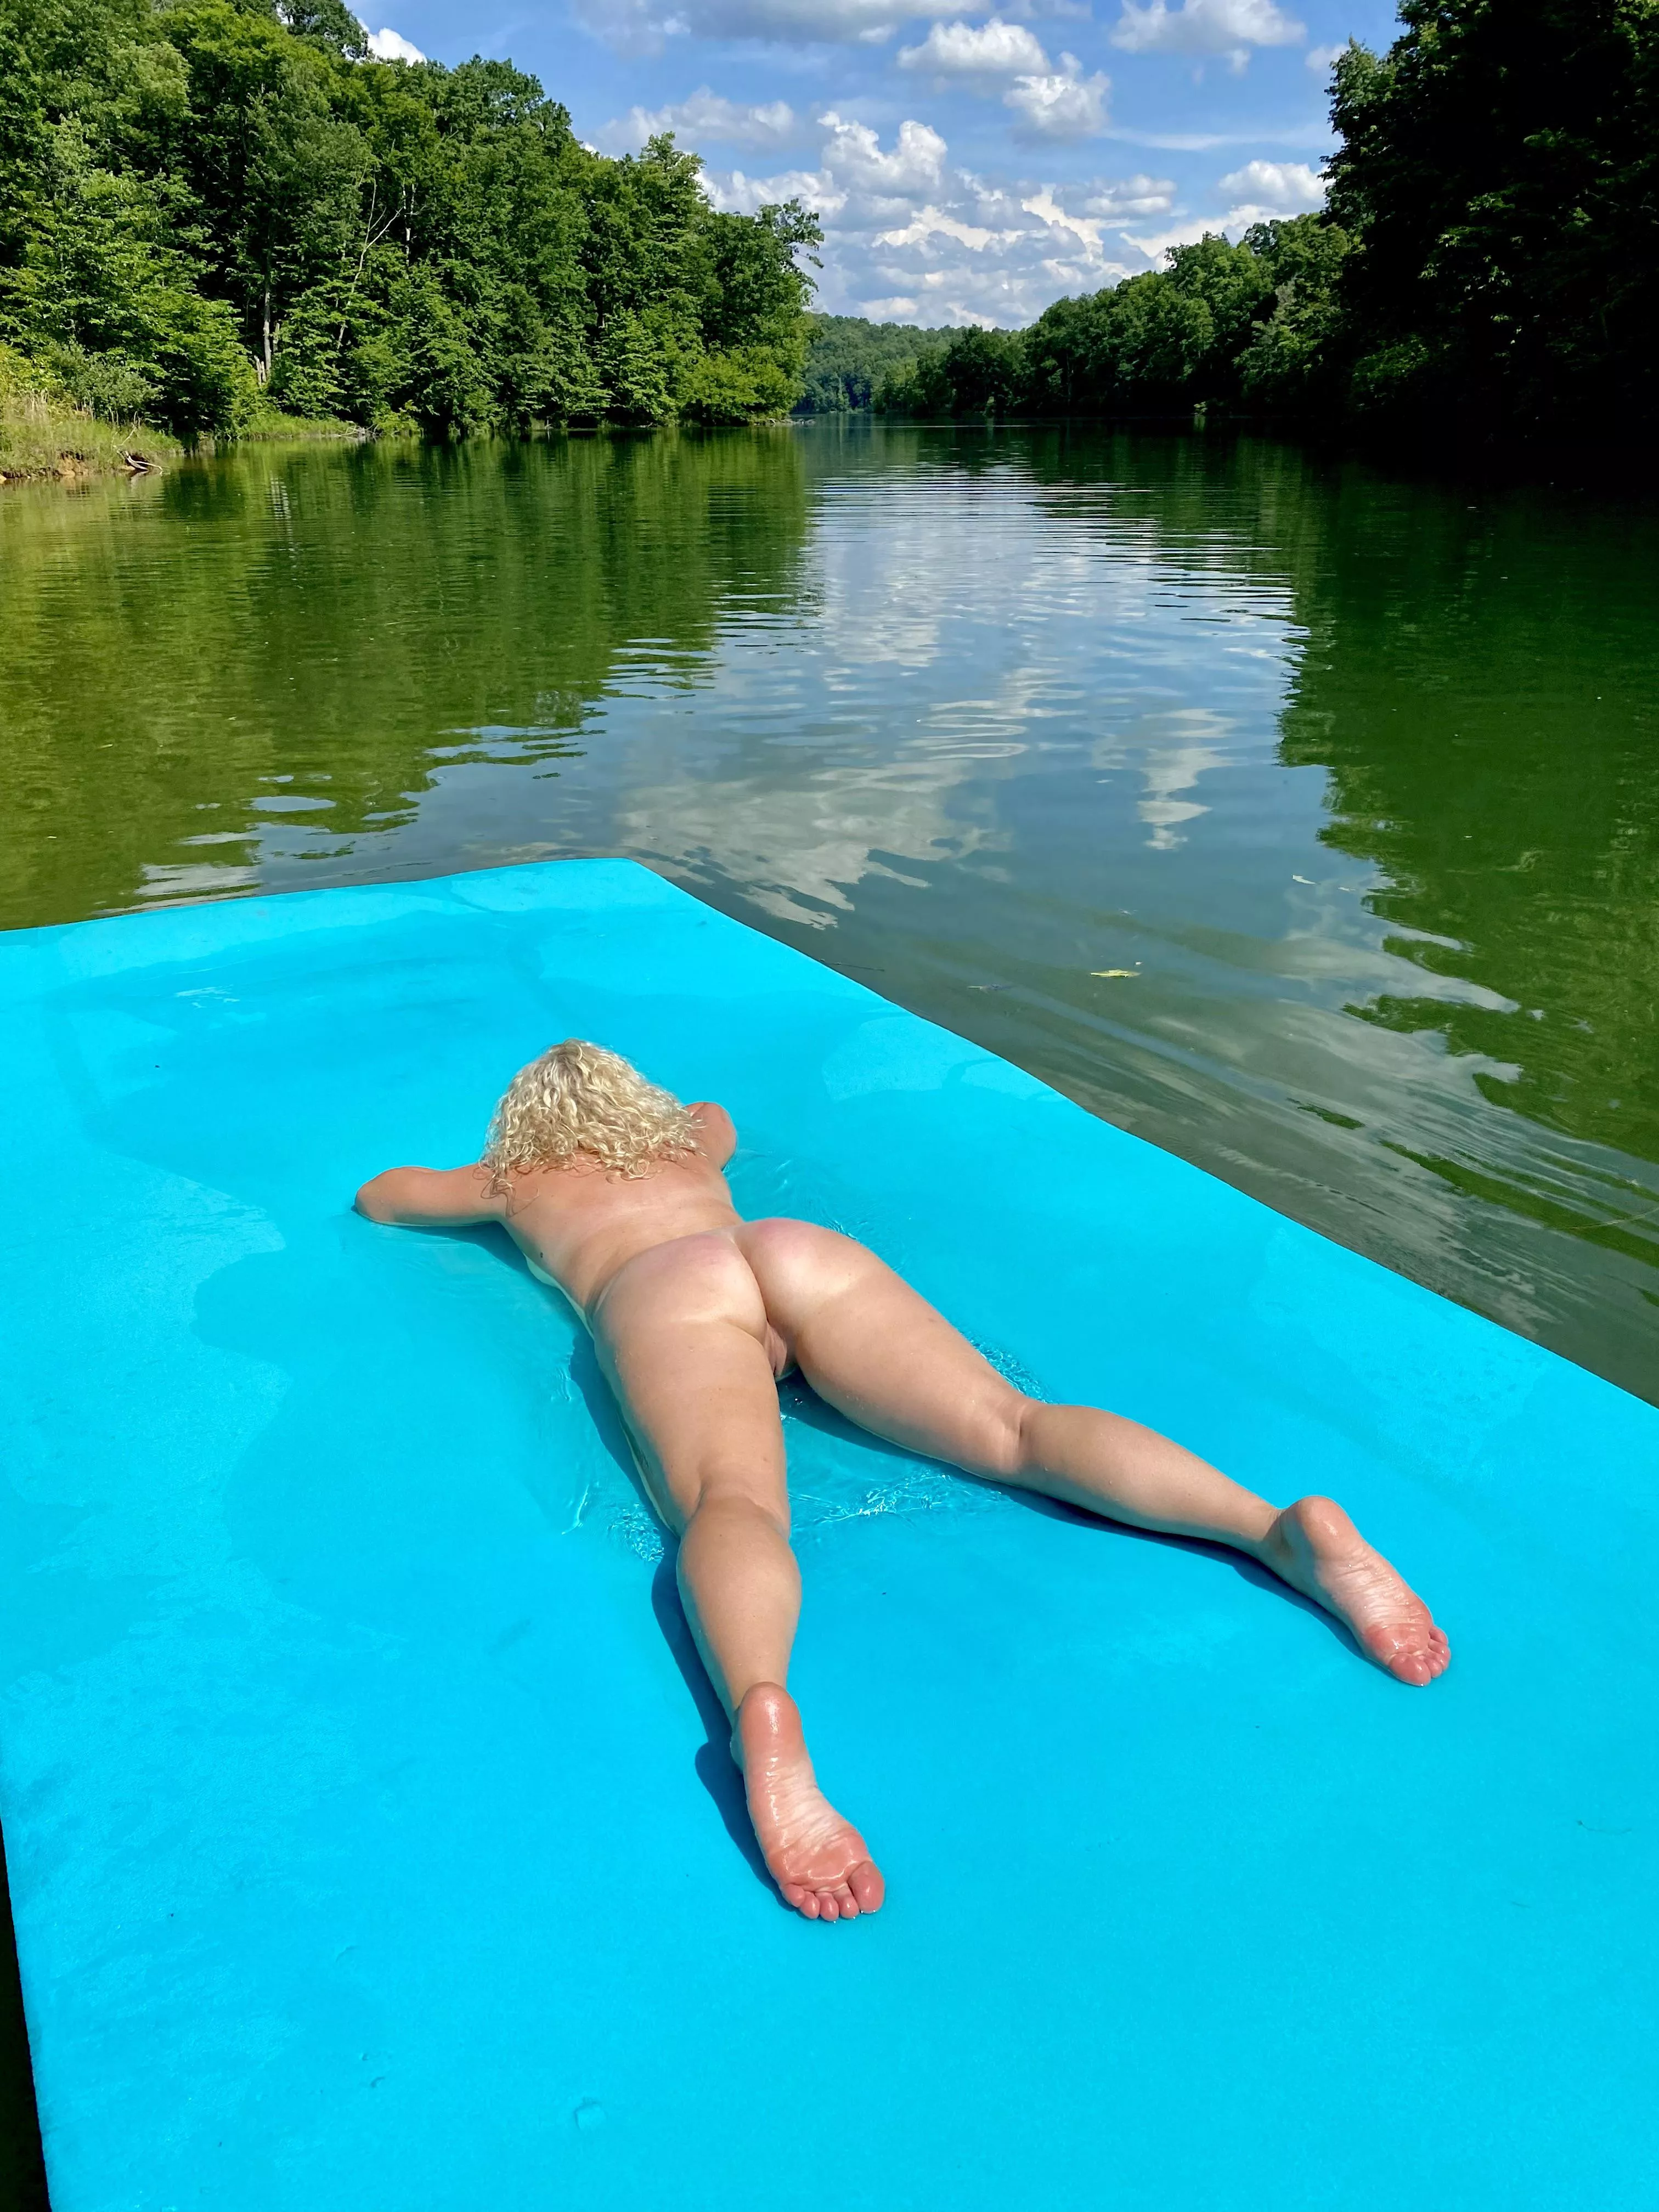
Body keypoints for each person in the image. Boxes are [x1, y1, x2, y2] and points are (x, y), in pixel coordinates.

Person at [356, 1039, 1449, 1924]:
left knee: (731, 1503)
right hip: (789, 1249)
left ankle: (762, 1714)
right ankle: (1273, 1528)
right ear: (636, 1100)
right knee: (1013, 1426)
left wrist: (503, 1171)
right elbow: (718, 1113)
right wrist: (660, 1116)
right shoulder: (689, 1138)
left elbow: (384, 1197)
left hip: (662, 1292)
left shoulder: (511, 1175)